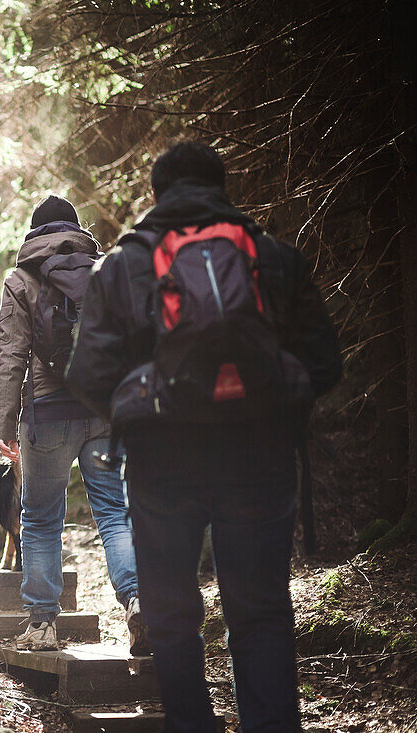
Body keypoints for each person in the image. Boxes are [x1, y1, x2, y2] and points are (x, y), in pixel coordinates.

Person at [66, 141, 342, 732]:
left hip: (163, 461)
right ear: (223, 188)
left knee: (170, 615)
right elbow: (324, 364)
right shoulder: (271, 258)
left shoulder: (122, 265)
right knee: (261, 612)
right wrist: (267, 402)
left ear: (157, 192)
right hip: (259, 455)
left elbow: (87, 373)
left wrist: (138, 409)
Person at [0, 194, 146, 653]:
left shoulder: (21, 278)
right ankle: (138, 602)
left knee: (40, 519)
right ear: (76, 230)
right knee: (113, 513)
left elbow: (11, 355)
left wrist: (2, 421)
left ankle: (42, 626)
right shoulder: (105, 272)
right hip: (102, 412)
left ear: (34, 234)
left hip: (47, 414)